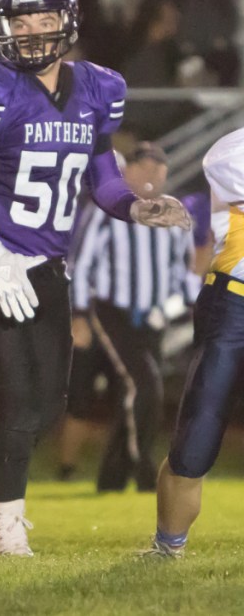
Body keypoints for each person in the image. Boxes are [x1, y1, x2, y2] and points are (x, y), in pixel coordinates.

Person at [0, 0, 190, 557]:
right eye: (20, 20)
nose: (30, 31)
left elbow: (102, 180)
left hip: (48, 261)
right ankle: (4, 524)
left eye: (43, 18)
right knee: (18, 397)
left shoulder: (99, 88)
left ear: (67, 21)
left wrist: (137, 209)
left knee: (49, 403)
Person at [69, 142, 197, 492]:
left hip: (154, 317)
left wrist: (196, 303)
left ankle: (111, 477)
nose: (153, 173)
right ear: (129, 170)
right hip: (112, 311)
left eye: (159, 166)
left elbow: (180, 270)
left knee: (135, 390)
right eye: (145, 165)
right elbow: (82, 264)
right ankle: (144, 472)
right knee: (146, 386)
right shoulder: (107, 210)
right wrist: (79, 313)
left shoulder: (175, 214)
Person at [142, 127, 244, 558]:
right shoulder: (233, 151)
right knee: (198, 431)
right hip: (234, 305)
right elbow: (220, 164)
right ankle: (169, 546)